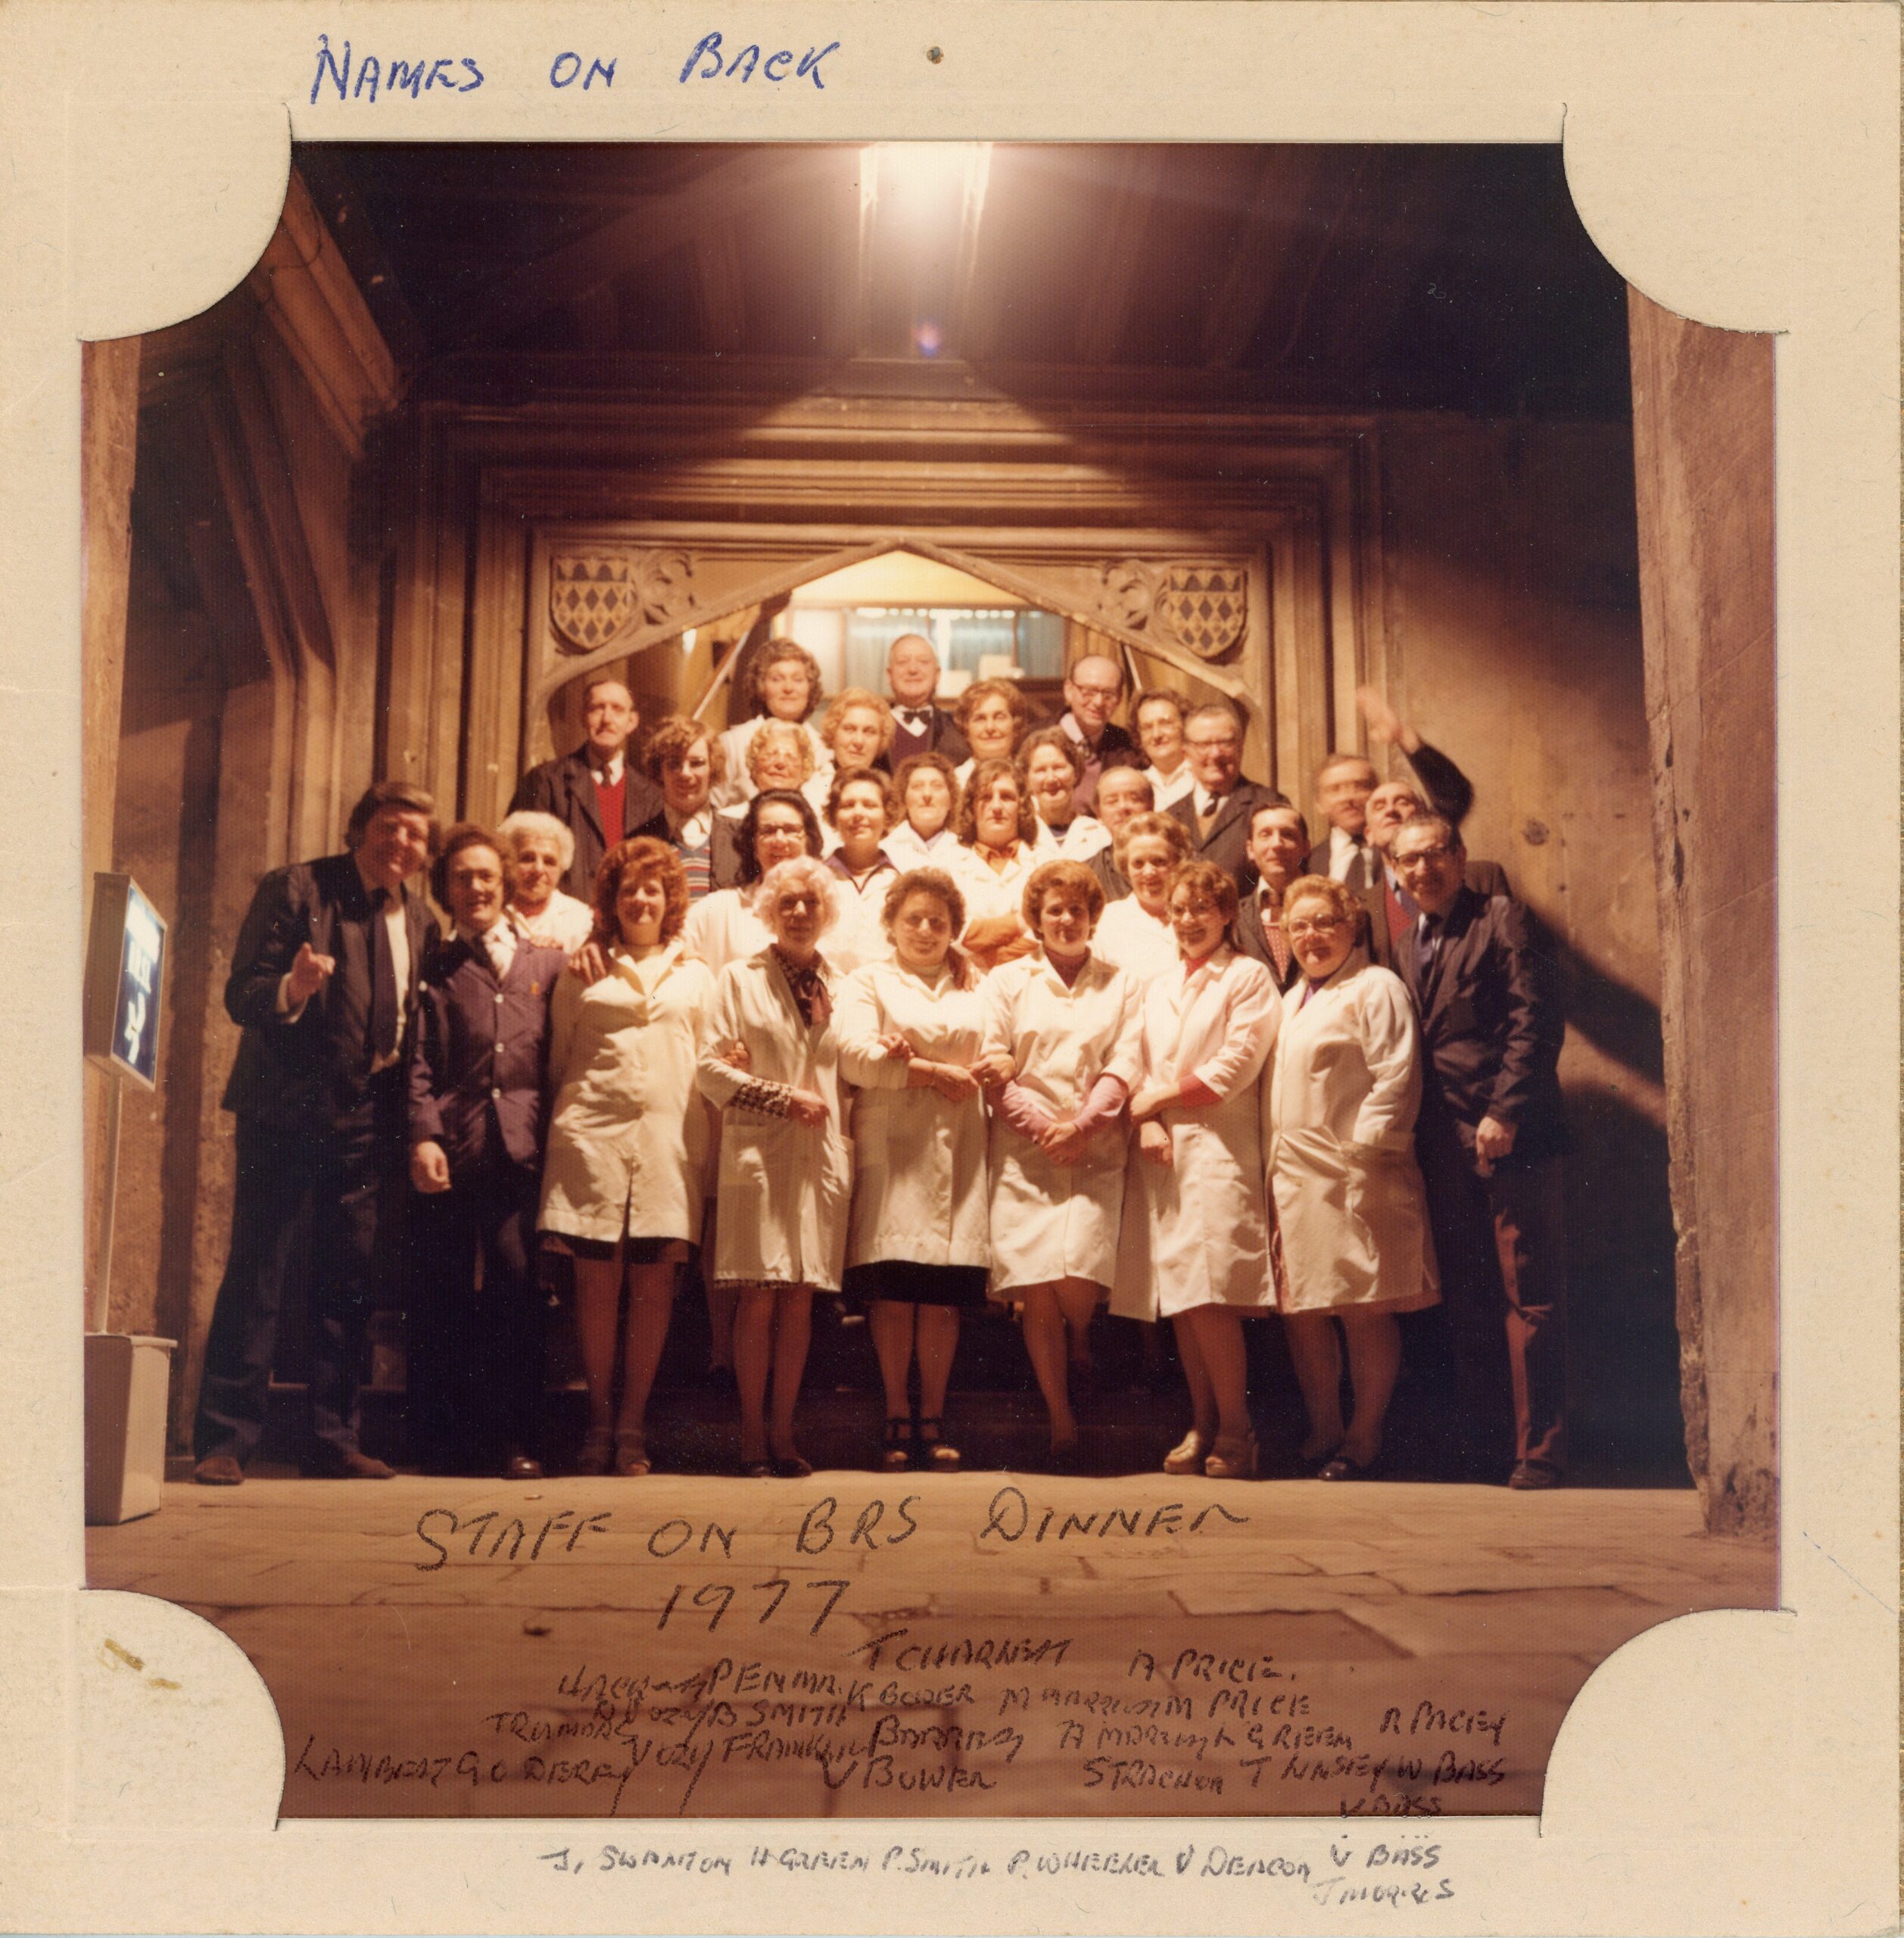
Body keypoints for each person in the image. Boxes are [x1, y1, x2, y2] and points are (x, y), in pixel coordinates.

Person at [192, 780, 439, 1485]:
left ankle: (333, 1439)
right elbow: (244, 993)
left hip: (366, 1121)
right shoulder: (298, 887)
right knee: (259, 1271)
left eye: (417, 834)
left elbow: (411, 1032)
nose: (402, 842)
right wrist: (293, 990)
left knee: (348, 1283)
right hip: (285, 1113)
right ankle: (225, 1441)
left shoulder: (420, 919)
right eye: (390, 826)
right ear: (359, 828)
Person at [1390, 813, 1570, 1489]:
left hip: (1511, 1136)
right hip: (1444, 1146)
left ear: (1460, 855)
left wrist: (1506, 1111)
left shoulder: (1503, 919)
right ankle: (1488, 1445)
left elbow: (1534, 1019)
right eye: (1407, 861)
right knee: (1468, 1298)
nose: (1422, 869)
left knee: (1529, 1297)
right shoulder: (1408, 944)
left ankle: (1539, 1453)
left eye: (1434, 853)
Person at [538, 838, 714, 1476]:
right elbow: (559, 1059)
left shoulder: (696, 974)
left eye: (653, 889)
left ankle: (634, 1425)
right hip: (591, 1144)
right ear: (611, 901)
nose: (641, 899)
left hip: (667, 1148)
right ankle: (599, 1422)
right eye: (628, 889)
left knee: (652, 1288)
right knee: (595, 1285)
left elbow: (706, 1062)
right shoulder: (582, 969)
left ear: (670, 901)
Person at [405, 825, 567, 1481]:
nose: (474, 888)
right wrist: (423, 1133)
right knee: (443, 1291)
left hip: (523, 1150)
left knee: (515, 1288)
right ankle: (443, 1439)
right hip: (455, 1144)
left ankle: (515, 1438)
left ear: (505, 884)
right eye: (460, 878)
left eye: (485, 876)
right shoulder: (434, 965)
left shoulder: (548, 962)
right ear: (445, 888)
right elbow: (416, 1059)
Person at [1267, 874, 1438, 1482]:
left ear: (1352, 927)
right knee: (1304, 1309)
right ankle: (1324, 1428)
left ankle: (1364, 1436)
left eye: (1324, 923)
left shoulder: (1375, 987)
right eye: (1298, 926)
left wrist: (1366, 1156)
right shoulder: (1289, 1000)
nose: (1311, 936)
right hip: (1293, 1177)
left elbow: (1396, 1075)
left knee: (1364, 1307)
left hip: (1354, 1168)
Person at [1113, 859, 1281, 1480]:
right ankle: (1202, 1421)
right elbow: (1139, 1063)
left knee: (1213, 1293)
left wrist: (1159, 1101)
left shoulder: (1246, 977)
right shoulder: (1159, 985)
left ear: (1226, 915)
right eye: (1178, 910)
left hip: (1218, 1148)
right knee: (1184, 1297)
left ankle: (1238, 1430)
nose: (1187, 920)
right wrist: (1149, 1118)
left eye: (1200, 910)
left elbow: (1236, 1065)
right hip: (1164, 1150)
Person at [836, 869, 1005, 1471]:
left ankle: (931, 1418)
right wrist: (931, 1073)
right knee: (895, 1290)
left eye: (938, 920)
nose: (926, 930)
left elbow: (997, 1045)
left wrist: (980, 1066)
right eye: (913, 919)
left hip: (957, 1148)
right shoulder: (866, 980)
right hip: (895, 1150)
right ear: (890, 925)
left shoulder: (975, 983)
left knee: (941, 1294)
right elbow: (854, 1056)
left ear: (955, 928)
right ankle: (894, 1414)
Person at [980, 862, 1142, 1470]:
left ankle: (1082, 1339)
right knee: (1038, 1289)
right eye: (1054, 909)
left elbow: (1126, 1059)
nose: (1066, 919)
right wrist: (1044, 1129)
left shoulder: (1120, 983)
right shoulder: (1005, 982)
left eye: (1077, 909)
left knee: (1077, 1281)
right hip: (1026, 1154)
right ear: (1036, 917)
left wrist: (1081, 1126)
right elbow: (994, 1064)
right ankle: (1060, 1418)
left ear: (1093, 916)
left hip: (1095, 1145)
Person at [696, 855, 852, 1478]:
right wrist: (781, 1098)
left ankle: (785, 1434)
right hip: (760, 1152)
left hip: (818, 1157)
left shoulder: (843, 983)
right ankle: (751, 1434)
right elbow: (710, 1071)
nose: (798, 913)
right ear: (768, 910)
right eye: (786, 902)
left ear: (826, 912)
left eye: (810, 903)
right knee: (758, 1297)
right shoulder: (738, 979)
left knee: (799, 1298)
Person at [1304, 685, 1478, 887]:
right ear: (1319, 803)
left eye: (1360, 786)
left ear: (1377, 790)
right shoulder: (1306, 863)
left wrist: (1405, 737)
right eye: (1335, 789)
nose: (1348, 797)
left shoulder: (1413, 837)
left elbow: (1455, 796)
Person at [509, 678, 663, 900]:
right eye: (597, 708)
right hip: (563, 918)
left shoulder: (651, 796)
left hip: (625, 917)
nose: (607, 719)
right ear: (583, 716)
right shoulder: (546, 781)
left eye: (617, 710)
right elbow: (518, 854)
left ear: (632, 722)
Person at [683, 790, 828, 977]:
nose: (780, 840)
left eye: (792, 830)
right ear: (752, 845)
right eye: (767, 831)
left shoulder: (833, 907)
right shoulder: (717, 909)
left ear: (809, 840)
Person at [1362, 774, 1510, 949]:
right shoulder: (1363, 904)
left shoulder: (1484, 877)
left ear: (1425, 817)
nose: (1391, 810)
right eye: (1379, 807)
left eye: (1403, 802)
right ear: (1369, 835)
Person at [1232, 798, 1364, 990]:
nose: (1277, 844)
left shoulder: (1338, 906)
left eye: (1287, 834)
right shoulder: (1236, 917)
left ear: (1306, 847)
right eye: (1265, 834)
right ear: (1251, 849)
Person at [1165, 701, 1281, 886]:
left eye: (1225, 742)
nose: (1216, 753)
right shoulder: (1171, 817)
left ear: (1241, 747)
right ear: (1185, 753)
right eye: (1204, 744)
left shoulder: (1268, 805)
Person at [631, 713, 742, 901]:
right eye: (674, 764)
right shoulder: (638, 843)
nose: (685, 773)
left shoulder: (741, 837)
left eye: (697, 763)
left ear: (712, 767)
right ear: (660, 771)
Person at [949, 757, 1044, 973]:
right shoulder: (950, 866)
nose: (997, 806)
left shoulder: (1045, 863)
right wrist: (1023, 921)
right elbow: (960, 934)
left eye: (1007, 797)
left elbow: (1045, 934)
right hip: (973, 986)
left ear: (1022, 805)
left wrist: (993, 959)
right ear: (971, 808)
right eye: (985, 797)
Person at [712, 638, 830, 810]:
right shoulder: (731, 743)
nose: (788, 688)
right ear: (761, 686)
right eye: (777, 679)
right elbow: (714, 807)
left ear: (810, 687)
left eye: (798, 679)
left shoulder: (825, 747)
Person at [1093, 811, 1192, 980]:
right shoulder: (1106, 921)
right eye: (1138, 863)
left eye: (1159, 861)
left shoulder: (1199, 916)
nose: (1149, 872)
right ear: (1126, 868)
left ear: (1177, 862)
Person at [823, 768, 903, 974]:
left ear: (887, 814)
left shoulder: (903, 878)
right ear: (834, 815)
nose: (858, 814)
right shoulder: (816, 878)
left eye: (869, 805)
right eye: (848, 805)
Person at [497, 809, 598, 952]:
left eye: (549, 862)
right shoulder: (494, 911)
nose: (538, 869)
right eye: (527, 858)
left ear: (562, 867)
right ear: (508, 862)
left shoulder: (582, 919)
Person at [1056, 653, 1140, 813]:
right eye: (1089, 691)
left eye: (1109, 694)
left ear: (1119, 699)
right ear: (1069, 690)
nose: (1098, 702)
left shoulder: (1129, 746)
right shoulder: (1034, 739)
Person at [1019, 726, 1112, 862]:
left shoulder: (1101, 835)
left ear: (1076, 772)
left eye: (1058, 768)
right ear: (1026, 779)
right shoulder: (1019, 835)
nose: (1051, 779)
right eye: (1040, 770)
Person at [882, 631, 970, 769]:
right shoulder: (872, 728)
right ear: (889, 675)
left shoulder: (959, 728)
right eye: (903, 662)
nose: (913, 669)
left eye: (923, 661)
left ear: (937, 675)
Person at [1086, 765, 1156, 902]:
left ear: (1151, 806)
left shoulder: (1179, 861)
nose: (1123, 807)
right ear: (1099, 813)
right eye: (1112, 801)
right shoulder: (1088, 873)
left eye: (1134, 799)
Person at [886, 751, 963, 868]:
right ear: (904, 799)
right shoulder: (884, 851)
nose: (927, 794)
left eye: (937, 786)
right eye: (917, 786)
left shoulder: (967, 852)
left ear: (951, 800)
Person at [952, 677, 1030, 789]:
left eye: (999, 717)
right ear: (966, 729)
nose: (990, 727)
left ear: (1015, 725)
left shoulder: (1031, 780)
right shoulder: (954, 783)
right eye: (980, 719)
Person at [817, 686, 897, 786]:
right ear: (832, 733)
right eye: (850, 729)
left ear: (881, 740)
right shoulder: (812, 788)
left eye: (869, 732)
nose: (859, 741)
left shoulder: (889, 793)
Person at [1135, 690, 1195, 812]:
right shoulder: (1136, 784)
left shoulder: (1202, 778)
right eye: (1147, 727)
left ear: (1186, 726)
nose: (1156, 735)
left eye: (1166, 723)